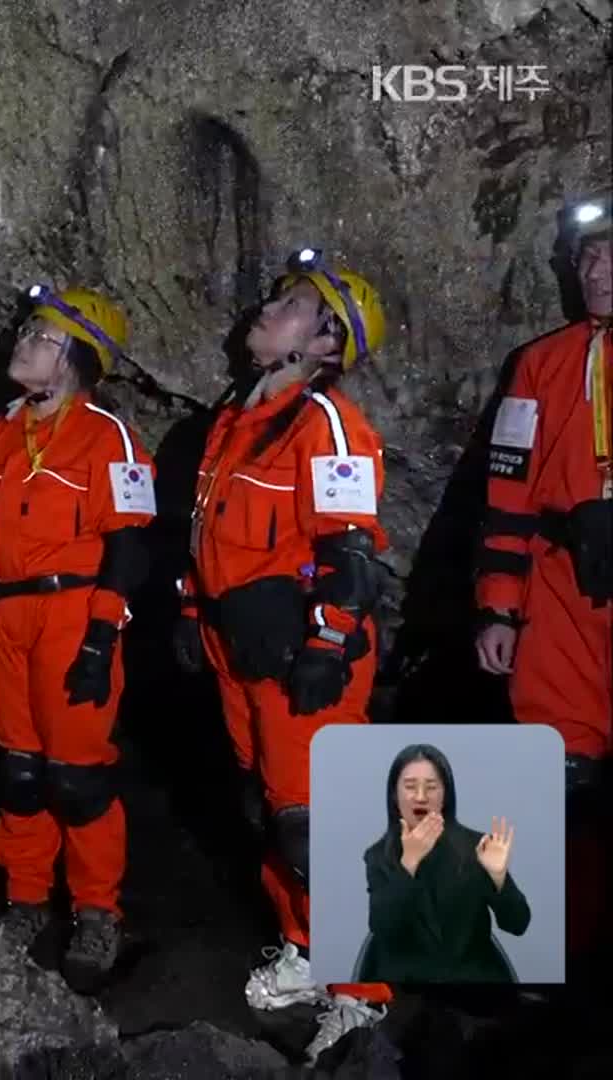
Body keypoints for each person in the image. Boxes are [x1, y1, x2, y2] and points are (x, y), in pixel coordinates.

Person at [172, 250, 395, 1060]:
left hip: (304, 651)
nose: (269, 307)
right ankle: (307, 948)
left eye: (293, 303)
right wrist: (193, 611)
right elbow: (212, 534)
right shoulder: (236, 419)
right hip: (244, 648)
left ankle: (363, 991)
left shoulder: (326, 421)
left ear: (326, 343)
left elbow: (349, 549)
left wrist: (330, 640)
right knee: (272, 813)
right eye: (275, 295)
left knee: (317, 826)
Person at [0, 286, 155, 991]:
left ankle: (98, 912)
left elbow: (130, 547)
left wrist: (102, 638)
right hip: (6, 617)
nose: (22, 340)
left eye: (40, 335)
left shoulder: (108, 436)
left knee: (79, 776)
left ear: (74, 358)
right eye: (27, 330)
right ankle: (26, 901)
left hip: (72, 616)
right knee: (20, 770)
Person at [473, 186, 612, 963]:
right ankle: (553, 956)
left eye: (611, 255)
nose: (596, 270)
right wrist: (499, 605)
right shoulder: (540, 364)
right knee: (557, 778)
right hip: (558, 588)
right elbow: (507, 490)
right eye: (587, 256)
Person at [354, 744, 531, 984]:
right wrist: (409, 862)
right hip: (405, 988)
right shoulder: (378, 856)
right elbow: (383, 929)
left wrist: (498, 878)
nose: (420, 796)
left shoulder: (476, 847)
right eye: (410, 786)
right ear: (395, 796)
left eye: (431, 787)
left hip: (473, 984)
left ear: (445, 795)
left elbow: (517, 923)